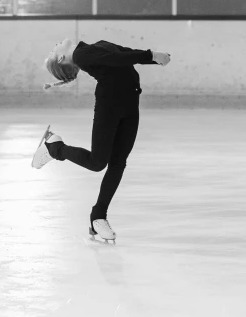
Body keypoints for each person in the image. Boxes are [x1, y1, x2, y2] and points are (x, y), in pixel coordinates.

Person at [31, 37, 171, 243]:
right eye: (53, 51)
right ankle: (55, 148)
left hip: (130, 105)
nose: (55, 44)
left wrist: (153, 59)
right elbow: (117, 59)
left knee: (118, 163)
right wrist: (151, 55)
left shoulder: (94, 47)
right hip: (109, 108)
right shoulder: (81, 55)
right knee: (97, 163)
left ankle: (98, 217)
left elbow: (124, 53)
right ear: (62, 58)